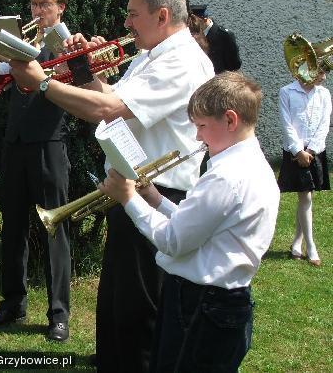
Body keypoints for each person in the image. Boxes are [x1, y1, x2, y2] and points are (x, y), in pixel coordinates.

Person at [9, 0, 214, 371]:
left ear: (162, 15)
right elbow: (112, 97)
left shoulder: (181, 61)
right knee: (118, 298)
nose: (126, 23)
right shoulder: (151, 54)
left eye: (133, 15)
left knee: (140, 306)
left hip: (159, 194)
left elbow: (107, 110)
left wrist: (43, 83)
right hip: (130, 188)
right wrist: (82, 68)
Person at [99, 71, 280, 372]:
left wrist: (128, 198)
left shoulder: (225, 176)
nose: (197, 137)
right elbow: (200, 225)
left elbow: (172, 241)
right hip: (221, 301)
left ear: (230, 120)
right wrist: (156, 199)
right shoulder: (252, 165)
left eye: (201, 126)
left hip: (201, 304)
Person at [0, 0, 72, 342]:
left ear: (60, 7)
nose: (37, 10)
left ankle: (59, 314)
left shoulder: (64, 40)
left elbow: (70, 83)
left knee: (54, 229)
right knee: (12, 226)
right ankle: (13, 302)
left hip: (48, 142)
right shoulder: (22, 40)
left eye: (45, 4)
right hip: (15, 143)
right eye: (34, 3)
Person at [277, 65, 331, 267]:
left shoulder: (324, 94)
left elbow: (324, 124)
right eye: (321, 72)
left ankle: (297, 243)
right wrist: (298, 151)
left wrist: (312, 150)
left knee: (306, 196)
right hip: (295, 152)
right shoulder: (287, 92)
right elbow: (287, 124)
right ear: (308, 70)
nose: (324, 77)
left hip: (314, 151)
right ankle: (311, 245)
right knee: (305, 196)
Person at [190, 4, 241, 74]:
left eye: (193, 21)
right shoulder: (188, 34)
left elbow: (234, 66)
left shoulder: (224, 36)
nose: (189, 25)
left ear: (204, 19)